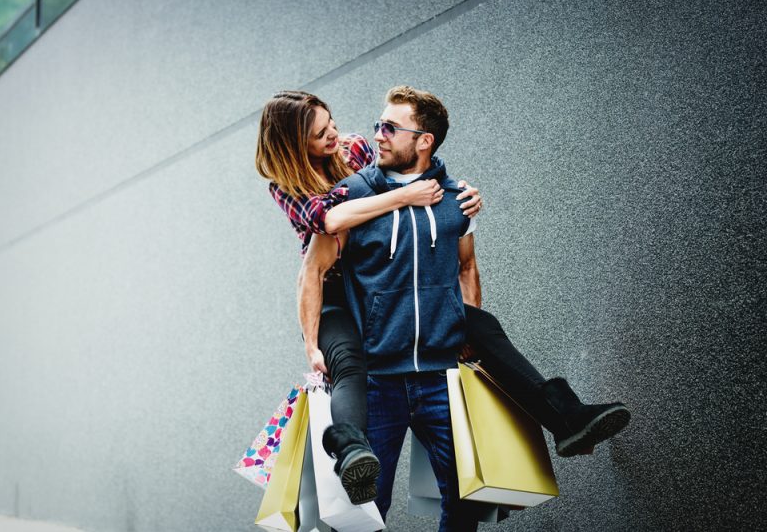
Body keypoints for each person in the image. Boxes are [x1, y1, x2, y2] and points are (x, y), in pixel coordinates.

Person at [296, 86, 631, 530]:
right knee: (362, 513)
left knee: (467, 501)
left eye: (390, 128)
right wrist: (312, 343)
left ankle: (566, 414)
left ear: (424, 140)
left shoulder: (458, 198)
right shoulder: (352, 196)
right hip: (379, 381)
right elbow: (313, 271)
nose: (378, 135)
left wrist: (466, 328)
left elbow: (467, 266)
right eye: (379, 124)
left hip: (440, 379)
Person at [256, 90, 483, 506]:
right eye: (321, 134)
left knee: (485, 331)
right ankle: (350, 450)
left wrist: (455, 192)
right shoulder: (285, 185)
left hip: (376, 279)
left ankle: (561, 411)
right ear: (294, 146)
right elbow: (327, 220)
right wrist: (310, 342)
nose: (335, 136)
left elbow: (398, 176)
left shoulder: (356, 147)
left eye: (332, 124)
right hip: (336, 288)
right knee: (348, 364)